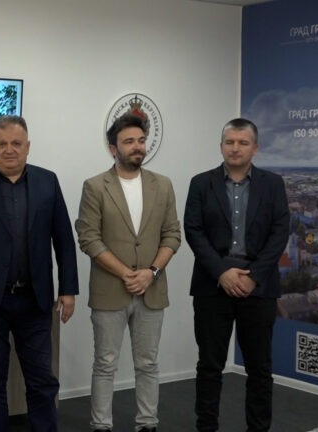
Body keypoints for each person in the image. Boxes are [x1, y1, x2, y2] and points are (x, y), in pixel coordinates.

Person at [0, 115, 78, 432]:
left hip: (35, 300)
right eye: (3, 144)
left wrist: (68, 289)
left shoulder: (48, 181)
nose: (10, 150)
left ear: (28, 146)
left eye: (17, 143)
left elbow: (64, 239)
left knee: (41, 380)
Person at [76, 113, 181, 432]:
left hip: (152, 289)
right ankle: (101, 425)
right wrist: (126, 273)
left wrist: (151, 272)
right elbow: (88, 238)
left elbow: (172, 235)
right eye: (129, 141)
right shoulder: (95, 186)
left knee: (148, 363)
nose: (137, 147)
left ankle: (147, 423)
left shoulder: (163, 185)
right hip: (110, 291)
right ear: (113, 149)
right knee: (105, 363)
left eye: (141, 140)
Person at [184, 118, 289, 432]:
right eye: (230, 142)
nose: (235, 148)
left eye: (243, 143)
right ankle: (206, 427)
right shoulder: (201, 183)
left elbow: (280, 233)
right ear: (221, 146)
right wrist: (222, 272)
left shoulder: (273, 184)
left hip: (258, 288)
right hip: (212, 287)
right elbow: (194, 231)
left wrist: (253, 276)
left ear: (255, 148)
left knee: (259, 369)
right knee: (209, 366)